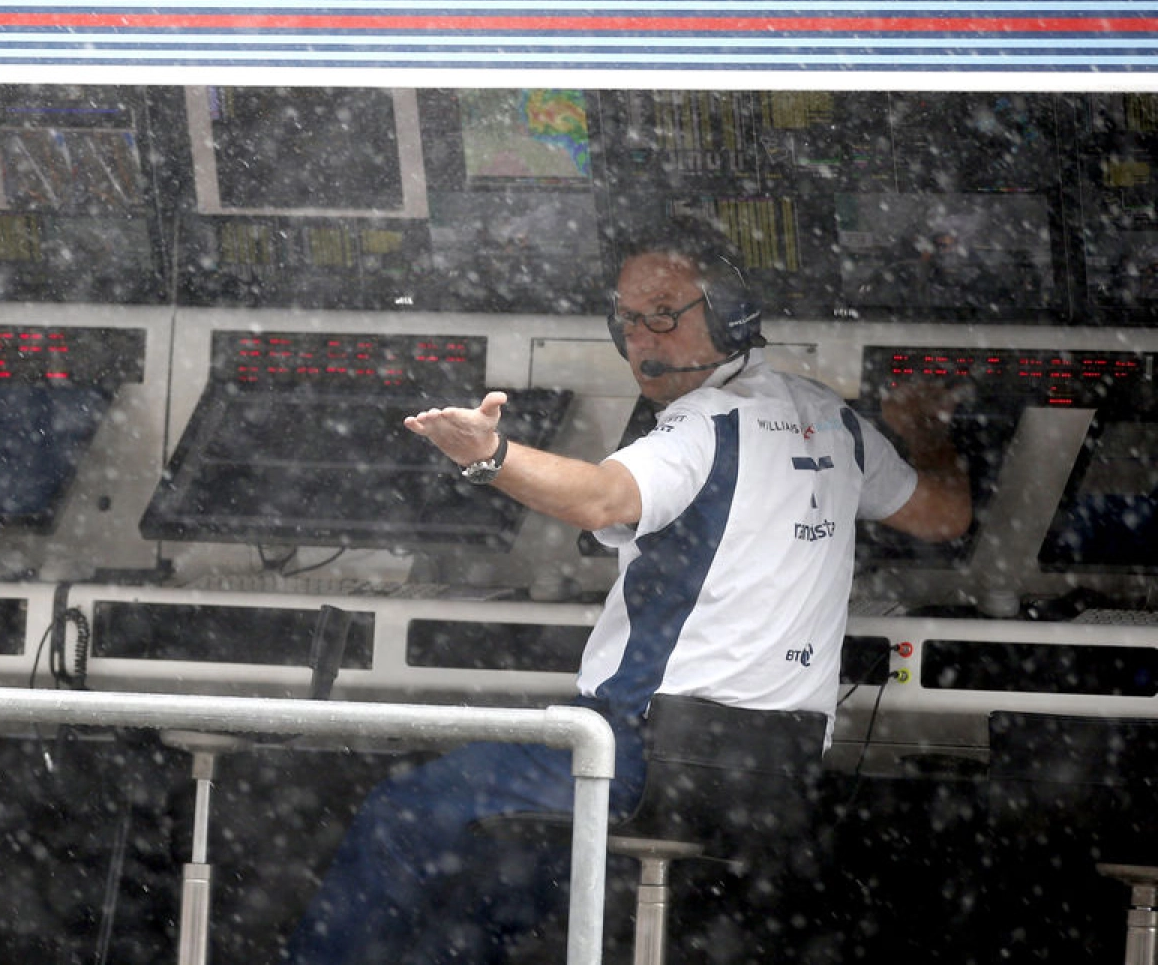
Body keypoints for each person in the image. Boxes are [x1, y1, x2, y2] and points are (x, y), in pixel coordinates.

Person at [280, 215, 972, 965]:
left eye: (665, 315)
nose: (643, 339)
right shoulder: (834, 421)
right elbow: (945, 515)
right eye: (629, 320)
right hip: (772, 770)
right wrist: (928, 428)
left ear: (733, 312)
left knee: (403, 815)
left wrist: (491, 456)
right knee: (502, 877)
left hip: (642, 755)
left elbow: (603, 499)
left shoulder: (704, 425)